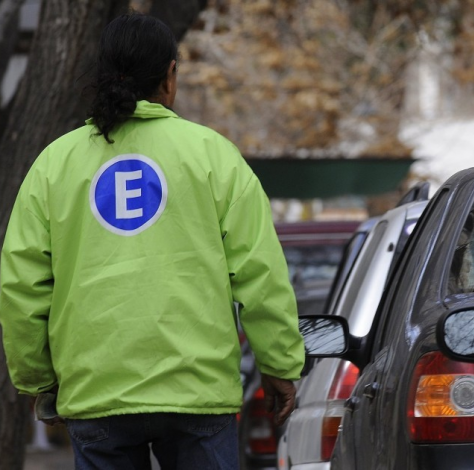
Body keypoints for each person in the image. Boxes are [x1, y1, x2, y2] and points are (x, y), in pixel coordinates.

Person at [0, 13, 304, 470]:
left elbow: (22, 286)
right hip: (197, 392)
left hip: (97, 392)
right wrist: (279, 364)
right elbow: (260, 273)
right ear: (169, 75)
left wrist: (39, 380)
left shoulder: (54, 165)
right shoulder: (213, 156)